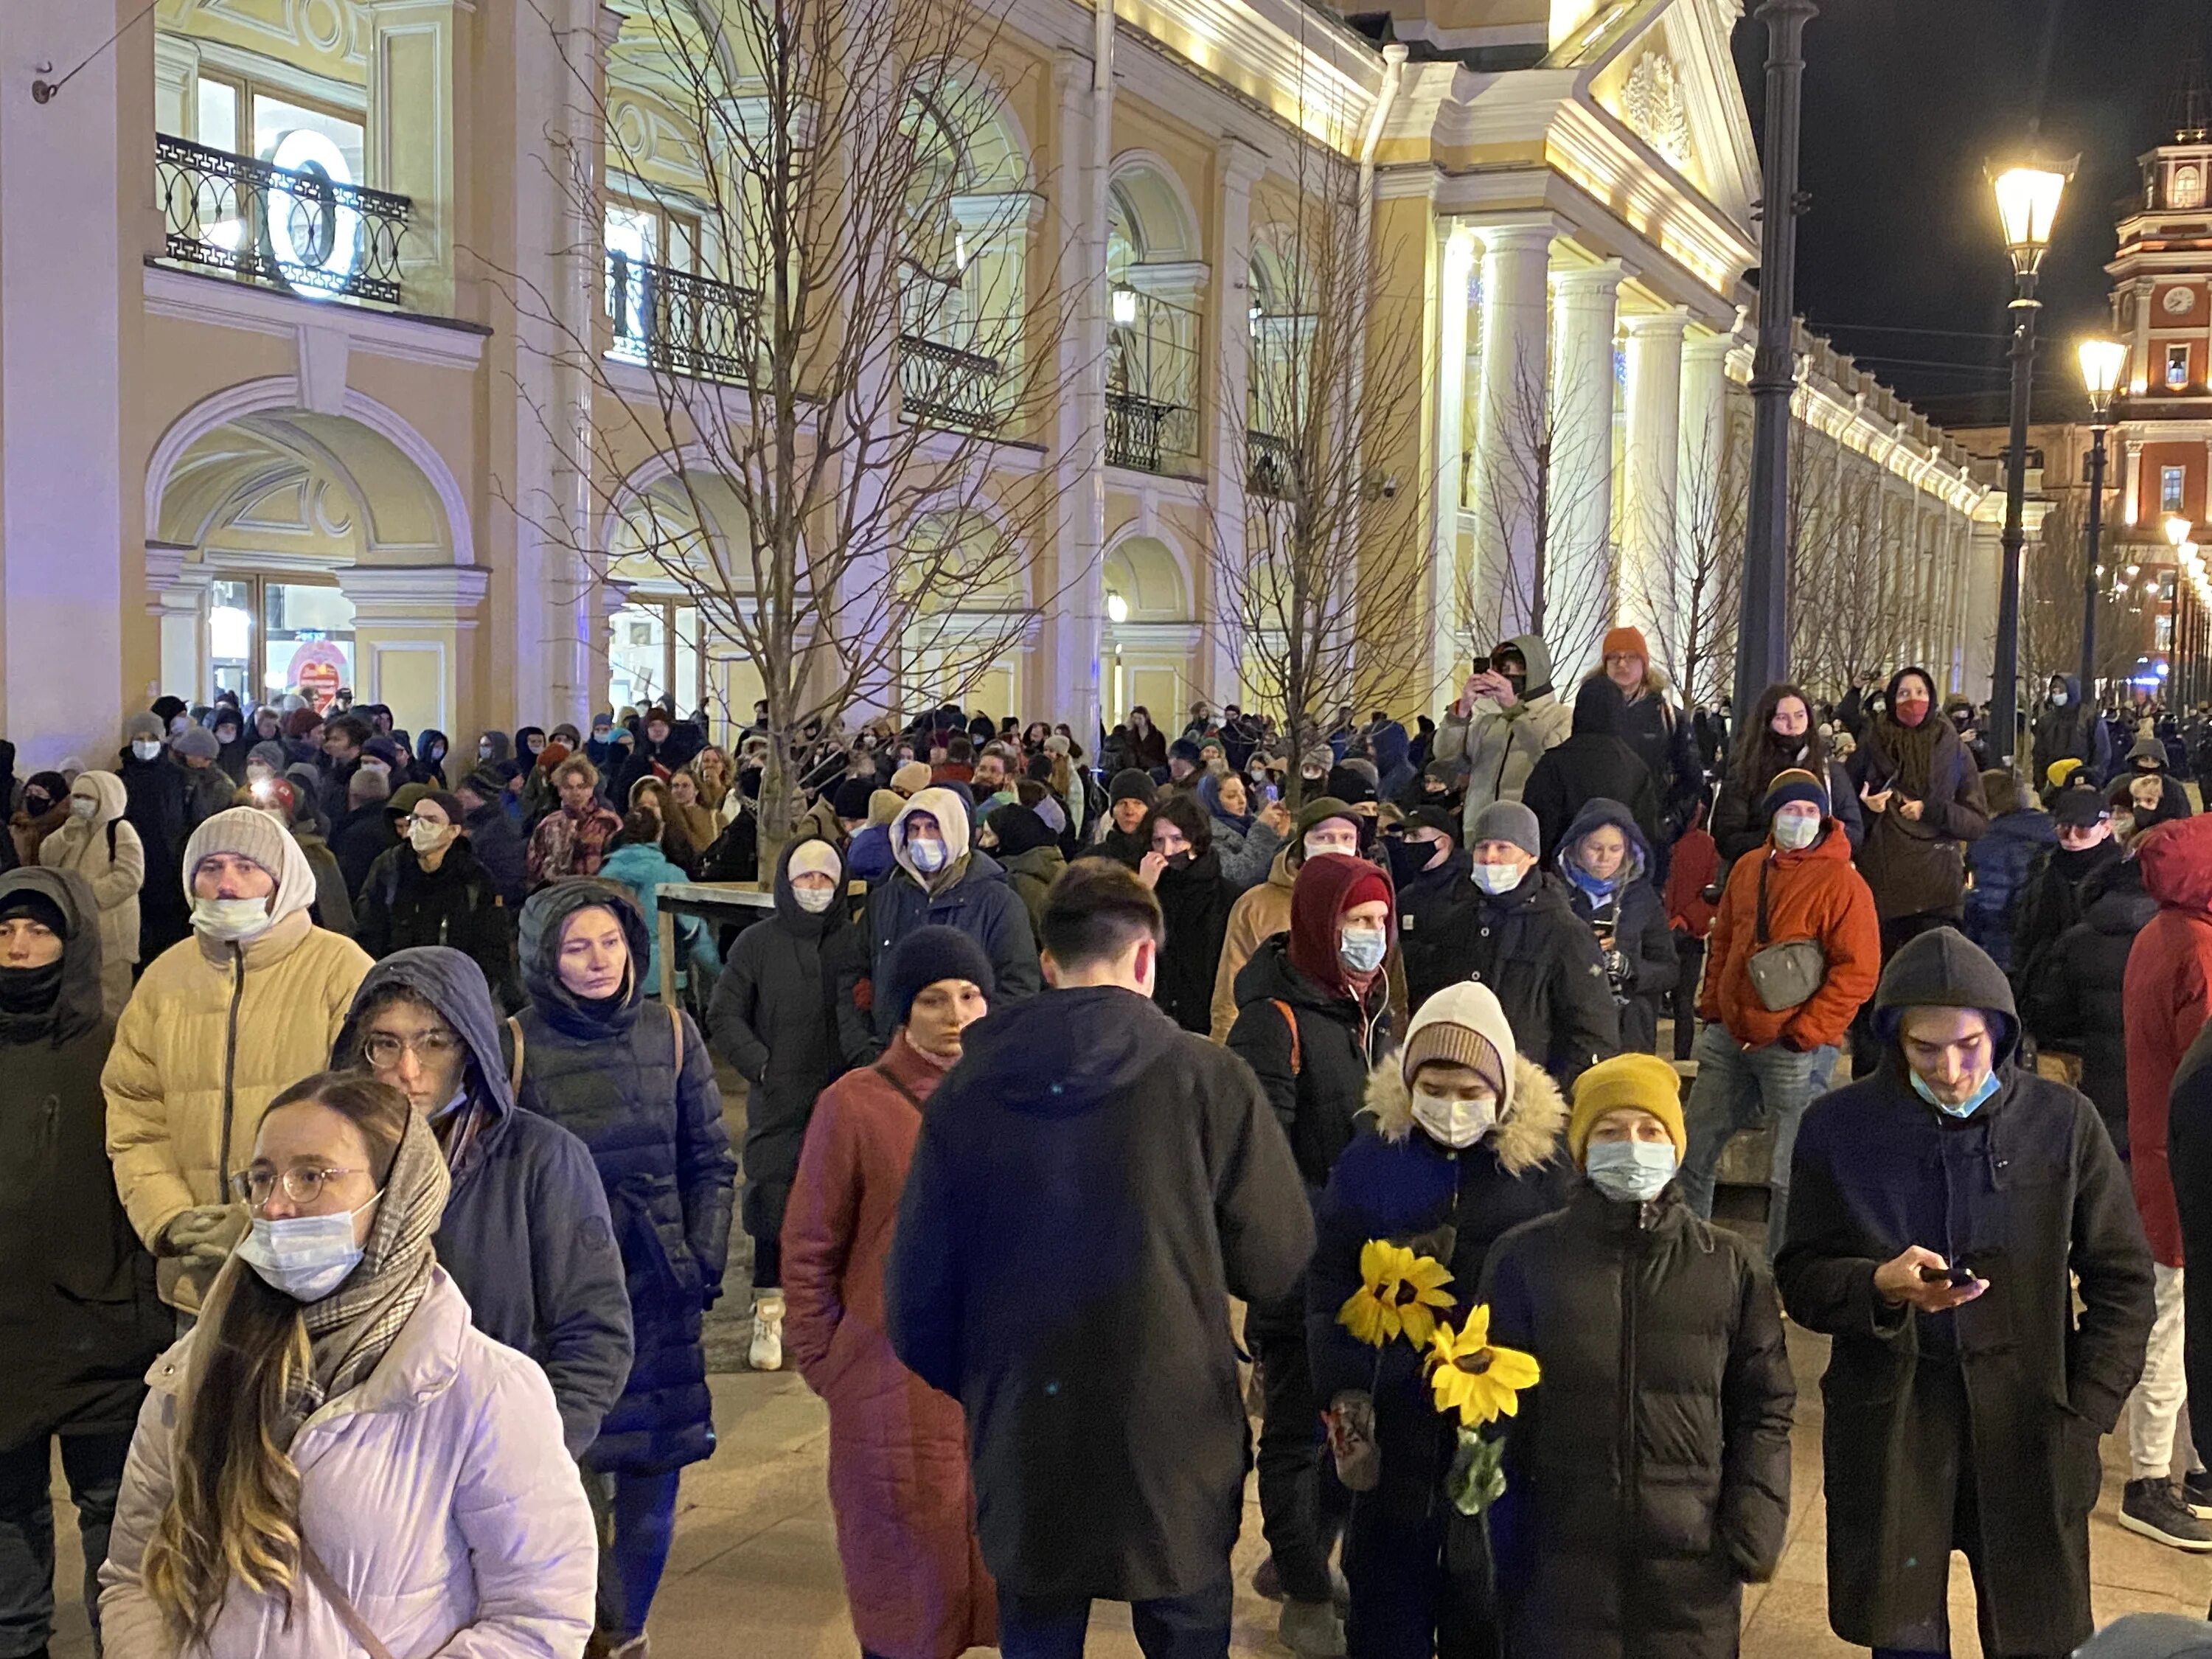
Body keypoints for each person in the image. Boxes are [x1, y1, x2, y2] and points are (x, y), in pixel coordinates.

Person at [886, 862, 1313, 1659]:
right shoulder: (1209, 1079)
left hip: (1025, 1427)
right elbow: (1278, 1259)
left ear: (1047, 964)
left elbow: (915, 1302)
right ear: (1146, 959)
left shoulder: (966, 1090)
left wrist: (989, 1380)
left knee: (1039, 1630)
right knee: (1185, 1625)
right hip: (1174, 1430)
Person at [96, 1074, 599, 1656]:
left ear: (396, 1195)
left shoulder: (483, 1390)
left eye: (312, 1177)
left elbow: (538, 1615)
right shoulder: (194, 1372)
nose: (278, 1205)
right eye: (262, 1179)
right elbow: (134, 1577)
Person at [1776, 928, 2155, 1658]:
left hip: (2031, 1419)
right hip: (1895, 1419)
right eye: (1925, 1049)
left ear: (2002, 1034)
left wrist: (2087, 1413)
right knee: (1904, 1630)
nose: (1950, 1069)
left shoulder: (2062, 1123)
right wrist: (1878, 1286)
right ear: (1894, 1040)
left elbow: (2124, 1280)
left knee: (2034, 1630)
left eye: (1970, 1046)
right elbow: (1801, 1275)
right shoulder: (1839, 1127)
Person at [1478, 1051, 1795, 1658]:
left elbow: (1766, 1404)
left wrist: (1752, 1523)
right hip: (1561, 1566)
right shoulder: (1524, 1259)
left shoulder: (1729, 1266)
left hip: (1691, 1570)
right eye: (1610, 1131)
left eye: (1650, 1130)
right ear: (1581, 1149)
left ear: (1676, 1146)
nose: (1633, 1144)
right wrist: (1501, 1535)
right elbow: (1492, 1410)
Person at [1306, 982, 1570, 1659]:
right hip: (1390, 1425)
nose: (1452, 1108)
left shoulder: (1539, 1173)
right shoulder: (1370, 1161)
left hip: (1496, 1432)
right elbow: (1329, 1279)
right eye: (1436, 1087)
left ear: (1503, 1090)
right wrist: (1343, 1389)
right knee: (1384, 1607)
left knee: (1482, 1608)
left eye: (1469, 1090)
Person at [511, 879, 735, 1655]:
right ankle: (580, 1633)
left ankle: (627, 1635)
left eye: (609, 943)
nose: (598, 960)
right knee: (561, 1487)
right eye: (577, 947)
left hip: (658, 1295)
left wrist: (704, 1256)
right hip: (557, 1306)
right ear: (546, 958)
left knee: (651, 1486)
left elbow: (709, 1157)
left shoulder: (670, 1034)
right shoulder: (516, 1046)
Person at [783, 926, 998, 1659]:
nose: (955, 1014)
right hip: (888, 1390)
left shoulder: (1014, 1097)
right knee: (906, 1602)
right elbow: (810, 1246)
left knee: (996, 1581)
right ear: (903, 1011)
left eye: (970, 995)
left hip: (995, 1389)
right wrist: (831, 1361)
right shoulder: (853, 1105)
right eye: (934, 999)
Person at [333, 948, 633, 1457]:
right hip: (362, 1459)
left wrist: (533, 1456)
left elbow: (593, 1336)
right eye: (385, 1044)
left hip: (499, 1454)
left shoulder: (541, 1158)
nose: (408, 1069)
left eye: (434, 1042)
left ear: (471, 1047)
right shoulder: (339, 1159)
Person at [102, 807, 374, 1320]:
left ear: (282, 881)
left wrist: (268, 1223)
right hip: (198, 1276)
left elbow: (367, 1123)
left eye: (247, 868)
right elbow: (135, 1116)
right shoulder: (165, 978)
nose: (226, 884)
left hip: (315, 1276)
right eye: (211, 869)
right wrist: (170, 1216)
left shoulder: (341, 969)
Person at [1225, 853, 1396, 1657]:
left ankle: (1300, 1556)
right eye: (1355, 923)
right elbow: (1265, 1153)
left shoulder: (1374, 1009)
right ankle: (1300, 1585)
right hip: (1300, 1261)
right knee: (1298, 1431)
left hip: (1372, 1264)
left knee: (1351, 1425)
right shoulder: (1277, 1020)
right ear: (1319, 926)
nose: (1371, 938)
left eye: (1379, 922)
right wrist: (1329, 1222)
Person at [0, 869, 168, 1659]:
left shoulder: (112, 1045)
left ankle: (122, 1644)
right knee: (8, 1511)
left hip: (103, 1322)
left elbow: (144, 1160)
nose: (20, 947)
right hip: (5, 1328)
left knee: (113, 1509)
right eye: (5, 933)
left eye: (38, 931)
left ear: (71, 943)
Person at [1678, 770, 1879, 1253]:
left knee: (1791, 1170)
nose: (1800, 819)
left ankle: (1783, 1272)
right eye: (1791, 809)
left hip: (1794, 1045)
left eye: (1810, 811)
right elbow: (1723, 939)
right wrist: (1713, 1010)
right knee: (1693, 1151)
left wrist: (1807, 1032)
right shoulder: (1748, 867)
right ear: (1774, 814)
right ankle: (1686, 1256)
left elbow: (1858, 970)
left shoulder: (1843, 883)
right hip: (1732, 1036)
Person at [707, 838, 855, 1374]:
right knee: (773, 1198)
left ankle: (834, 1310)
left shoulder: (855, 943)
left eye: (824, 879)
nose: (814, 889)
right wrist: (761, 1065)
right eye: (804, 879)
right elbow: (725, 1014)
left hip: (844, 1094)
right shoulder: (756, 944)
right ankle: (769, 1307)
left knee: (843, 1199)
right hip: (779, 1096)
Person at [2118, 814, 2212, 1549]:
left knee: (2177, 1311)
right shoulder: (2204, 951)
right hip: (2184, 1164)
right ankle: (2150, 1479)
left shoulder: (2162, 931)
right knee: (2175, 1319)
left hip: (2151, 1144)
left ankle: (2188, 1466)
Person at [1405, 800, 1617, 1088]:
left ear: (1529, 856)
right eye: (1482, 847)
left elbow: (1592, 1034)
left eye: (1503, 848)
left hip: (1527, 1100)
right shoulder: (1455, 921)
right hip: (1456, 1091)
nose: (1490, 858)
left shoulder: (1564, 933)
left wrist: (1553, 1101)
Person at [844, 787, 1040, 1063]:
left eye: (932, 827)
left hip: (966, 1065)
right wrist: (861, 1048)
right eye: (913, 829)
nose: (922, 839)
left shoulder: (998, 902)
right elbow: (854, 975)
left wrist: (973, 1050)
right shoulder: (885, 899)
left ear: (955, 829)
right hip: (889, 1062)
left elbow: (1018, 988)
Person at [1845, 664, 1991, 959]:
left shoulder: (1953, 749)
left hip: (1938, 895)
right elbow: (1844, 818)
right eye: (1903, 693)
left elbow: (1976, 822)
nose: (1913, 700)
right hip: (1883, 889)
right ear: (1890, 700)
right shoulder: (1872, 745)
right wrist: (1867, 808)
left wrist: (1932, 811)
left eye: (1921, 692)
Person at [2024, 847, 2153, 1159]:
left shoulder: (2076, 940)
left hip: (2095, 1089)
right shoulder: (2184, 939)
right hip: (2157, 1095)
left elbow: (2047, 1015)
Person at [1209, 797, 1364, 1043]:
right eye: (1323, 838)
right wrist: (1226, 1056)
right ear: (1302, 843)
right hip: (1276, 1043)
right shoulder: (1257, 905)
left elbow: (1391, 988)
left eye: (1347, 838)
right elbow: (1229, 992)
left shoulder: (1371, 902)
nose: (1336, 846)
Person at [351, 785, 518, 1006]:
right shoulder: (389, 868)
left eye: (431, 820)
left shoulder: (474, 879)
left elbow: (492, 947)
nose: (420, 826)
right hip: (393, 993)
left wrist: (469, 996)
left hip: (452, 997)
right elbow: (368, 929)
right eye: (416, 818)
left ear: (453, 831)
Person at [1553, 797, 1676, 1055]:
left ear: (1629, 850)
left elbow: (1669, 970)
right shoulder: (1554, 894)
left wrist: (1631, 969)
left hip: (1629, 1033)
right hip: (1568, 1028)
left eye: (1615, 849)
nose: (1604, 858)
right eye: (1595, 847)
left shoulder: (1642, 898)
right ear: (1576, 846)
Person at [1431, 635, 1573, 839]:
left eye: (1518, 666)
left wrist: (1514, 710)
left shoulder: (1562, 717)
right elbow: (1447, 759)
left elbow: (1547, 762)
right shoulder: (1489, 722)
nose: (1510, 673)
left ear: (1536, 669)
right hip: (1478, 831)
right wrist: (1460, 712)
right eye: (1503, 667)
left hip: (1525, 834)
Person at [1711, 683, 1863, 866]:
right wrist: (1778, 840)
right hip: (1763, 875)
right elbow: (1727, 838)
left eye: (1800, 716)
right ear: (1767, 722)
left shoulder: (1830, 771)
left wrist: (1815, 840)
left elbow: (1854, 832)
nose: (1793, 725)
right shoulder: (1745, 769)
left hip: (1819, 877)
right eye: (1782, 717)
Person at [38, 767, 143, 1018]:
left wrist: (87, 894)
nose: (80, 803)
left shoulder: (120, 830)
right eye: (77, 797)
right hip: (79, 923)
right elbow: (47, 858)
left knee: (111, 993)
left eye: (88, 798)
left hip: (112, 927)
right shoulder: (76, 828)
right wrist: (66, 834)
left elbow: (130, 877)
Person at [1520, 676, 1662, 863]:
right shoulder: (1637, 768)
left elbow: (1533, 829)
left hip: (1559, 877)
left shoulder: (1553, 763)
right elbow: (1648, 836)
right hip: (1617, 875)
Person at [1593, 627, 1705, 861]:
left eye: (1631, 656)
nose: (1622, 664)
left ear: (1644, 663)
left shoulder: (1667, 717)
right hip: (1597, 833)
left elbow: (1692, 779)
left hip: (1648, 837)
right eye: (1614, 657)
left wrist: (1667, 825)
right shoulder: (1589, 713)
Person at [597, 807, 719, 1004]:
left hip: (617, 981)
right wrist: (721, 971)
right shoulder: (670, 875)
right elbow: (693, 932)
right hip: (663, 981)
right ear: (659, 833)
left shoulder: (604, 877)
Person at [1139, 791, 1236, 1037]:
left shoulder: (1227, 897)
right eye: (1158, 841)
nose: (1168, 850)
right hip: (1155, 1021)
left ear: (1196, 840)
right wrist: (1142, 890)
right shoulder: (1150, 891)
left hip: (1205, 1024)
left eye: (1177, 838)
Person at [2011, 787, 2124, 992]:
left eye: (2083, 829)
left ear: (2106, 828)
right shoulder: (2042, 867)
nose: (2072, 836)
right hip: (2045, 985)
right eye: (2064, 828)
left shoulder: (2121, 874)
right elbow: (2026, 932)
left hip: (2097, 985)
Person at [1961, 769, 2053, 974]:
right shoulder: (2050, 832)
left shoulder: (1988, 844)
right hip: (2042, 942)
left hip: (2000, 943)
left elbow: (1983, 900)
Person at [117, 712, 192, 963]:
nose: (145, 743)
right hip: (132, 866)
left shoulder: (178, 778)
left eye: (151, 738)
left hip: (169, 870)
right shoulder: (121, 780)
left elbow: (189, 822)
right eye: (139, 738)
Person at [1663, 796, 1720, 1062]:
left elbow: (1711, 893)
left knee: (1680, 1004)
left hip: (1681, 934)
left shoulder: (1701, 845)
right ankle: (1675, 1062)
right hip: (1676, 932)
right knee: (1677, 1003)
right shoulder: (1701, 845)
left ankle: (1677, 1061)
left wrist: (1680, 920)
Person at [527, 755, 623, 891]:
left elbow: (618, 867)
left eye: (582, 787)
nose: (576, 793)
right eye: (569, 787)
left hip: (596, 899)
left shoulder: (609, 823)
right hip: (555, 898)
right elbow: (534, 870)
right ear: (560, 790)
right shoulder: (548, 825)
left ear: (591, 789)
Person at [1197, 769, 1291, 892]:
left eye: (1243, 793)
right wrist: (1263, 830)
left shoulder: (1251, 823)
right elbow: (1241, 877)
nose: (1242, 801)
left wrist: (1281, 836)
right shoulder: (1208, 838)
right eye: (1232, 796)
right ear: (1212, 801)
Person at [978, 802, 1065, 933]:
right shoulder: (1051, 863)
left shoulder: (1019, 885)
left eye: (988, 835)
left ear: (1009, 838)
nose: (981, 843)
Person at [458, 766, 529, 908]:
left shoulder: (497, 830)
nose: (459, 794)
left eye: (466, 789)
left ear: (481, 795)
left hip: (495, 902)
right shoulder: (479, 821)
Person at [2033, 673, 2112, 790]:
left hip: (2083, 785)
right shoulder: (2046, 721)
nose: (2057, 696)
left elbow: (2102, 752)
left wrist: (2094, 780)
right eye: (2054, 692)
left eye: (2061, 692)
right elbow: (2039, 755)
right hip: (2054, 786)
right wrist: (2041, 785)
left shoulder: (2089, 718)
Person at [1079, 770, 1157, 869]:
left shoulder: (1163, 859)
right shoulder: (1091, 860)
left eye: (1138, 803)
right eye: (1122, 803)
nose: (1129, 812)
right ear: (1112, 812)